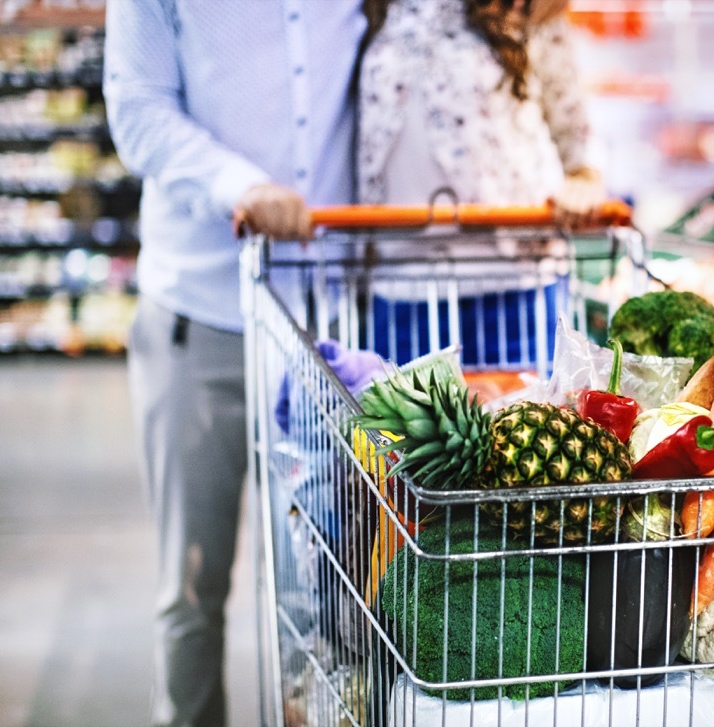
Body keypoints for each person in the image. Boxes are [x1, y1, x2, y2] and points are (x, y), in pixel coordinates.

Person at [102, 3, 366, 725]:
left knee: (331, 596)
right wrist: (238, 184)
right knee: (191, 591)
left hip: (328, 335)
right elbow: (136, 106)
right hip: (200, 317)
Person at [355, 0, 606, 367]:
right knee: (394, 427)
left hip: (516, 289)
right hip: (402, 291)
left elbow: (574, 127)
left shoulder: (525, 8)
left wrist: (584, 179)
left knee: (527, 417)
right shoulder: (375, 8)